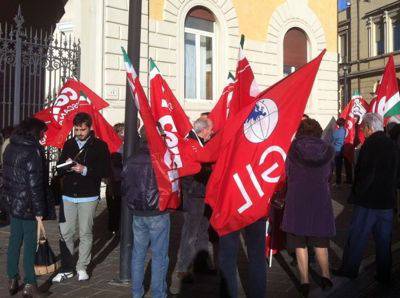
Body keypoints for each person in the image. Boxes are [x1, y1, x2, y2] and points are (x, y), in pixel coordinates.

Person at [334, 113, 398, 283]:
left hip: (368, 201)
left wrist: (356, 194)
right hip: (386, 202)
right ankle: (384, 274)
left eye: (363, 128)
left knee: (357, 237)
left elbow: (366, 175)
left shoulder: (370, 144)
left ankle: (349, 270)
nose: (362, 131)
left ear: (369, 128)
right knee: (384, 241)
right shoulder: (392, 144)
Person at [52, 112, 110, 283]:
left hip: (88, 195)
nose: (79, 133)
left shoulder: (100, 146)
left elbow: (105, 171)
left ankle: (82, 267)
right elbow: (59, 168)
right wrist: (65, 166)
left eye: (82, 130)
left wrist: (84, 170)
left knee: (85, 232)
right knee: (65, 233)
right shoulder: (69, 144)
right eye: (76, 129)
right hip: (68, 195)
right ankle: (67, 268)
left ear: (89, 128)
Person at [282, 118, 336, 297]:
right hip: (320, 201)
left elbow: (287, 173)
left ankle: (304, 281)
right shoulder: (328, 150)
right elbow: (329, 175)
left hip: (297, 201)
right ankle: (326, 277)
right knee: (321, 243)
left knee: (300, 244)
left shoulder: (292, 149)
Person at [3, 118, 52, 297]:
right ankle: (30, 283)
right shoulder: (33, 151)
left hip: (13, 201)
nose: (43, 135)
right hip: (29, 205)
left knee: (15, 240)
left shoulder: (10, 146)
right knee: (30, 244)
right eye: (42, 132)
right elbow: (35, 184)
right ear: (34, 132)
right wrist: (40, 211)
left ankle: (12, 277)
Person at [122, 127, 170, 298]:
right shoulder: (161, 160)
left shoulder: (130, 159)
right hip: (157, 211)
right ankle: (158, 294)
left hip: (138, 212)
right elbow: (170, 186)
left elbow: (124, 186)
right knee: (159, 256)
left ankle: (136, 293)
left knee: (138, 254)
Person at [170, 117, 214, 295]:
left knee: (203, 230)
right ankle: (182, 269)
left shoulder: (197, 143)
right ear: (203, 130)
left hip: (202, 194)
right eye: (210, 129)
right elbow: (188, 172)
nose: (211, 132)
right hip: (195, 195)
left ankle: (201, 264)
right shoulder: (190, 144)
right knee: (190, 232)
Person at [105, 123, 124, 234]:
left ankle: (118, 226)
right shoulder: (111, 145)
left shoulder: (126, 144)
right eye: (121, 132)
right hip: (113, 179)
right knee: (113, 205)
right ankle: (113, 227)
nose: (124, 134)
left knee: (120, 204)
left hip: (122, 178)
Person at [332, 118, 346, 184]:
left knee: (334, 166)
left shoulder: (337, 131)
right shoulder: (344, 130)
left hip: (336, 150)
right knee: (339, 167)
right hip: (342, 149)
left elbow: (332, 138)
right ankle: (338, 181)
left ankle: (337, 182)